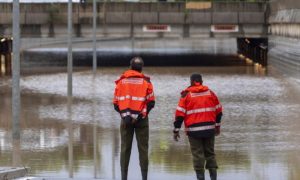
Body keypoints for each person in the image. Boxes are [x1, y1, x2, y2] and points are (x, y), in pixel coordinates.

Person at [173, 73, 223, 180]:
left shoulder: (186, 95)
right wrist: (217, 126)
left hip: (194, 131)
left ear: (191, 82)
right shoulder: (211, 93)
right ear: (202, 82)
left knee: (198, 155)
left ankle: (200, 178)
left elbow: (180, 115)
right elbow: (219, 112)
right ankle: (213, 177)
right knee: (210, 154)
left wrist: (176, 130)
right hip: (210, 130)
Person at [113, 57, 155, 180]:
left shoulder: (121, 82)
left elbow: (116, 103)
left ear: (130, 66)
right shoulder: (146, 82)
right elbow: (151, 103)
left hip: (125, 121)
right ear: (141, 68)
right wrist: (140, 116)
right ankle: (144, 177)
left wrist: (126, 117)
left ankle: (123, 177)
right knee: (143, 149)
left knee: (125, 148)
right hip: (142, 120)